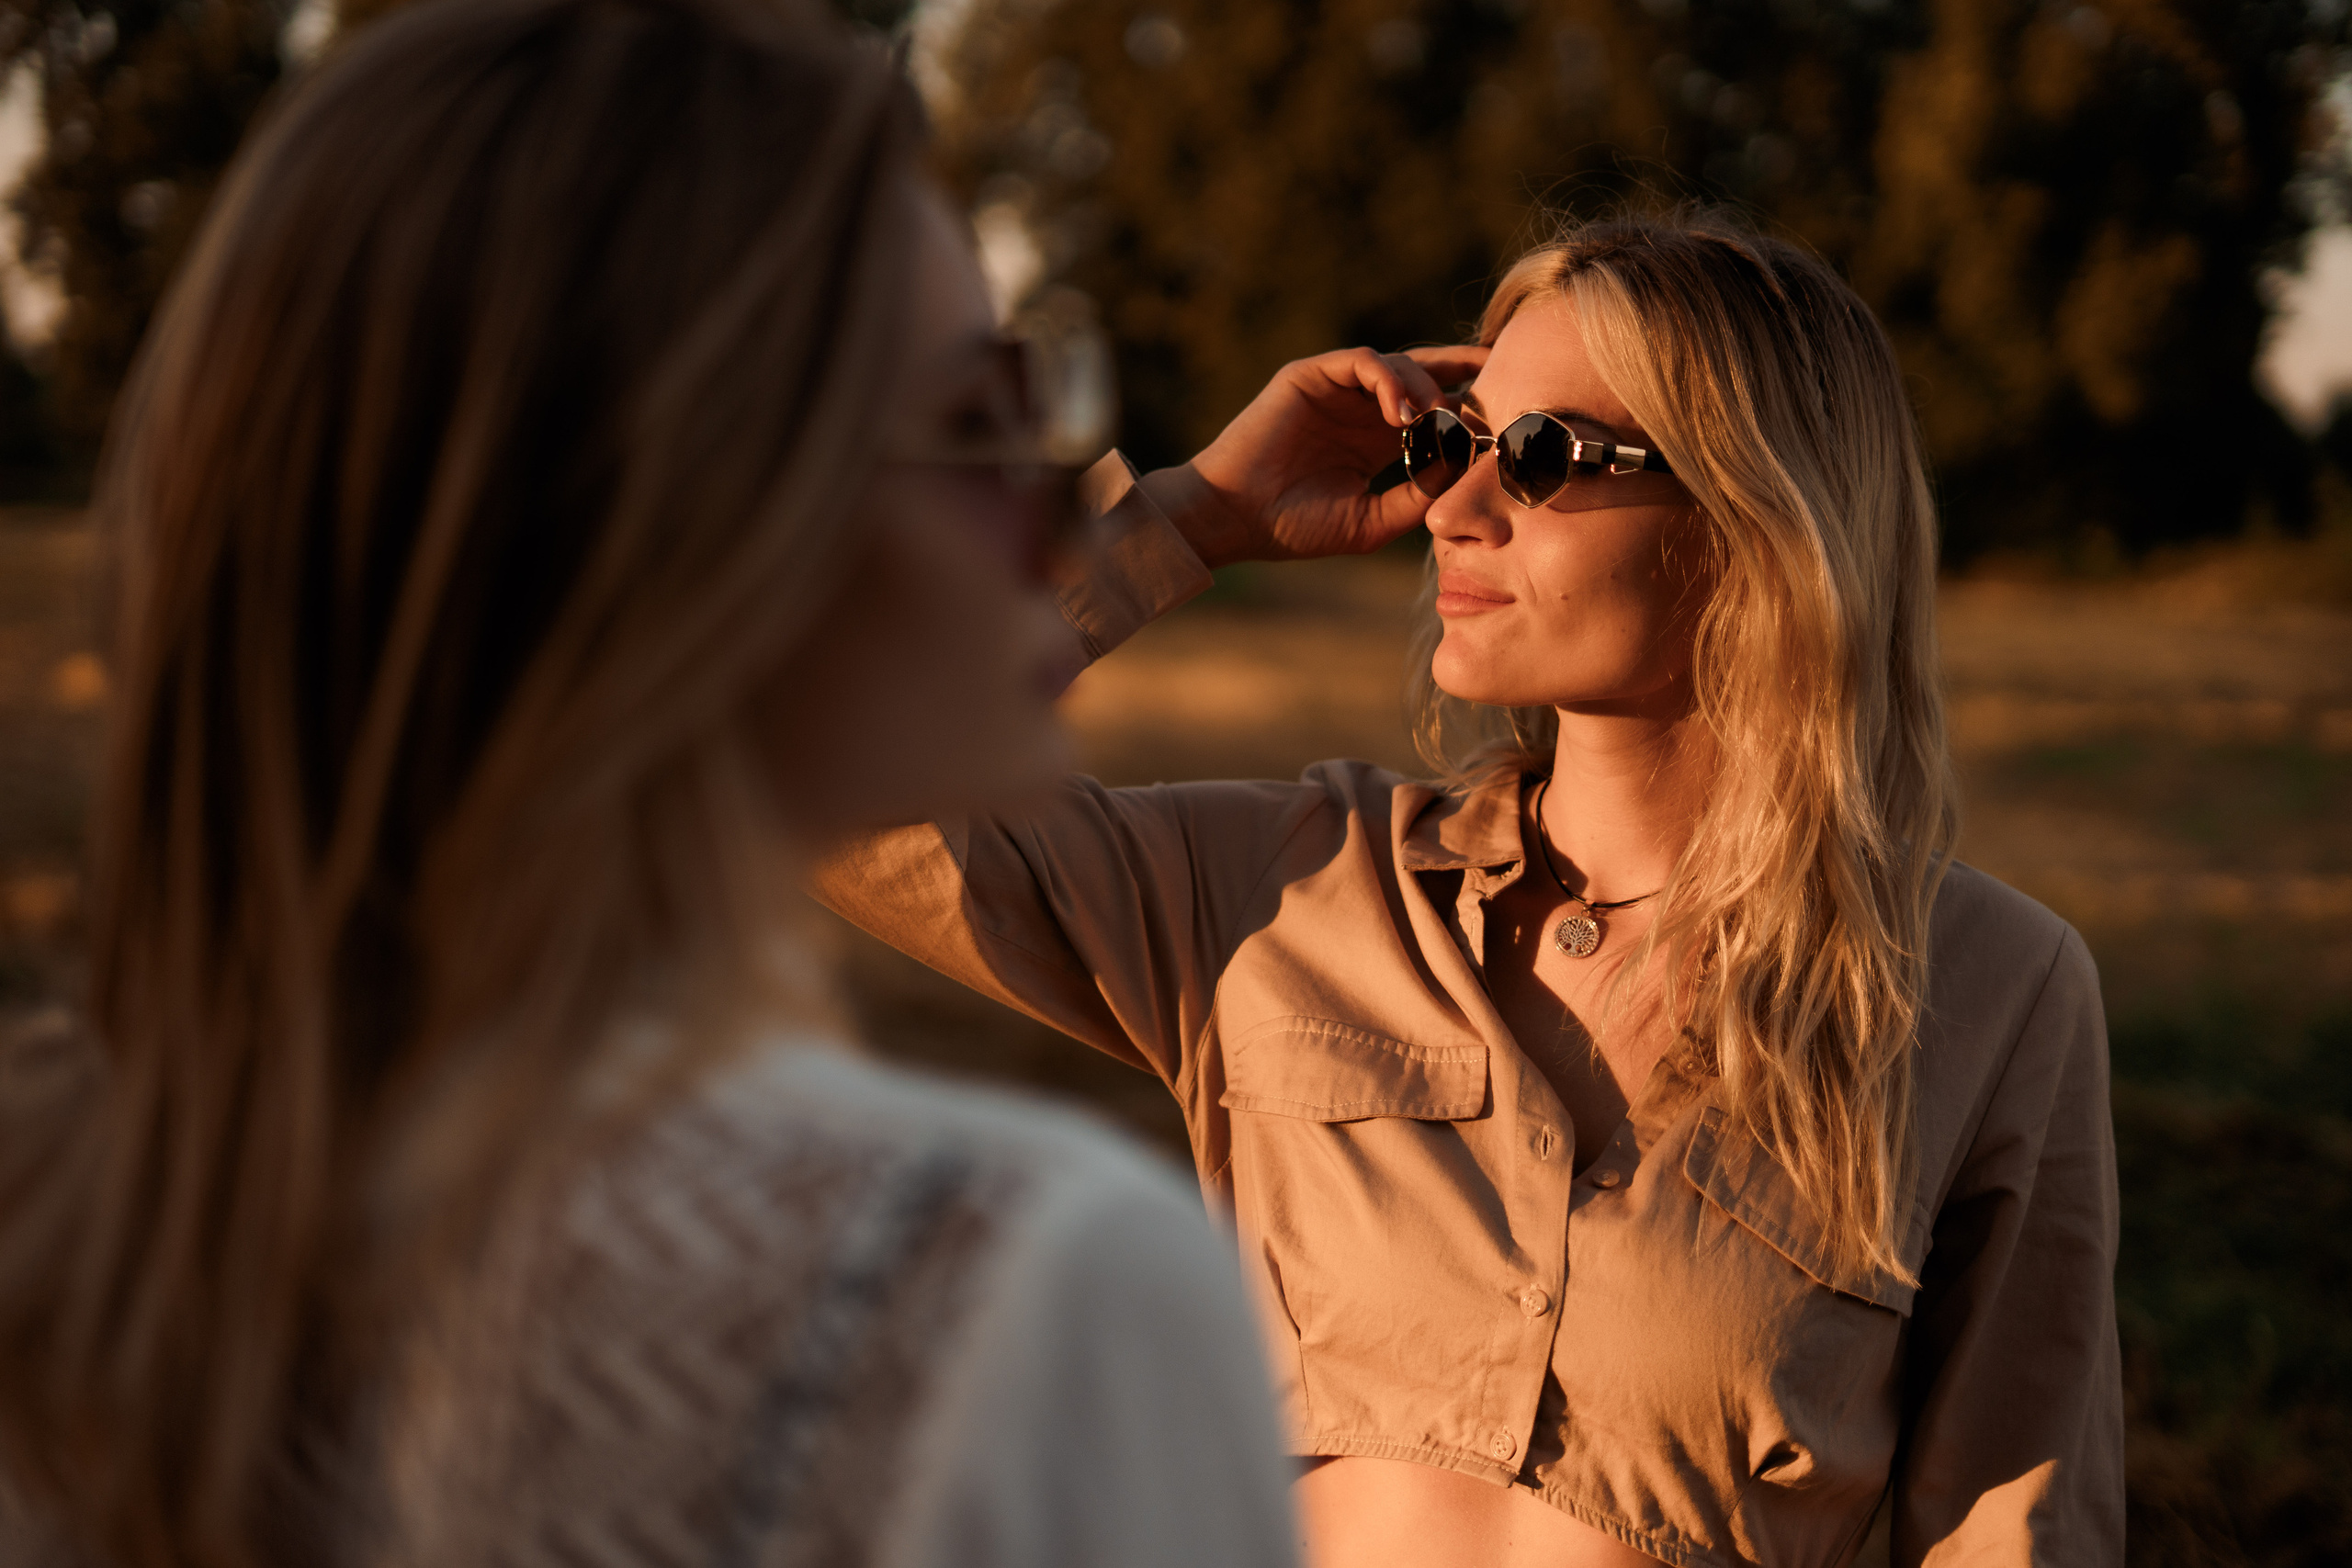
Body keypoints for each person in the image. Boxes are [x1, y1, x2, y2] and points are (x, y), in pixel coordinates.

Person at [0, 2, 1300, 1565]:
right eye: (976, 416)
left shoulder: (67, 1199)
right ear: (685, 533)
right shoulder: (1008, 1296)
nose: (1047, 494)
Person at [819, 215, 2125, 1566]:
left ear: (1757, 515)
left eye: (1544, 459)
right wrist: (1188, 512)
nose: (1453, 508)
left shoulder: (1989, 989)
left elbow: (2016, 1532)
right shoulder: (1290, 892)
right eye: (1453, 445)